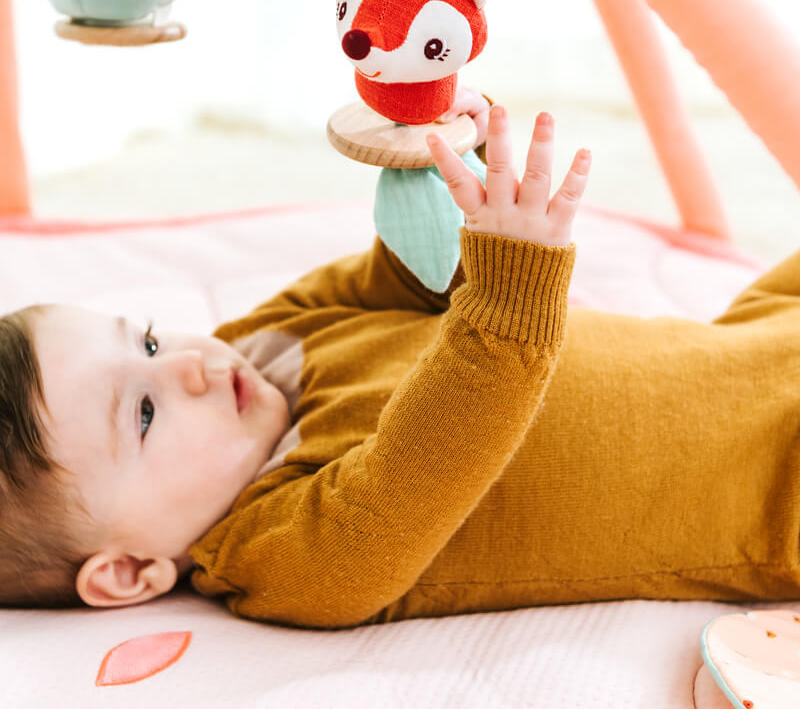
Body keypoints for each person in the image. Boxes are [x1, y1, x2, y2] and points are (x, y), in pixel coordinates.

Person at [3, 98, 798, 630]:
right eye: (142, 414)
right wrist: (511, 291)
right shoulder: (274, 552)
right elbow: (433, 457)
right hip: (770, 484)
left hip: (748, 342)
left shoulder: (262, 341)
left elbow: (409, 280)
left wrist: (445, 181)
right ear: (128, 570)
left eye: (144, 339)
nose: (185, 367)